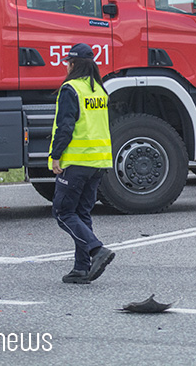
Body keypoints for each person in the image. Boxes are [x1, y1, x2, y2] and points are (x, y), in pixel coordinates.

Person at [49, 43, 115, 284]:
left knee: (63, 212)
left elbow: (66, 126)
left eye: (68, 62)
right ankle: (81, 268)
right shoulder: (99, 89)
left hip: (76, 161)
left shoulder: (71, 89)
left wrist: (56, 155)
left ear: (73, 64)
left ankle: (97, 250)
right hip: (97, 161)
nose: (66, 66)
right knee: (82, 213)